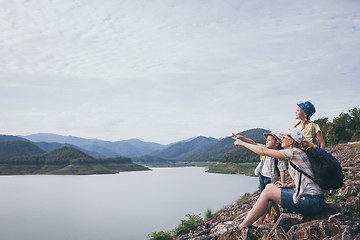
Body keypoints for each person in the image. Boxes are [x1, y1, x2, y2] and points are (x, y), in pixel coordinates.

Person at [228, 128, 324, 231]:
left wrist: (242, 143)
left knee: (268, 191)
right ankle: (257, 223)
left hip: (311, 201)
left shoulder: (295, 152)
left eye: (284, 137)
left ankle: (241, 227)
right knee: (270, 187)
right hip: (314, 200)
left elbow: (263, 151)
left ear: (291, 141)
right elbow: (305, 179)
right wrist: (287, 185)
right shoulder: (297, 154)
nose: (282, 139)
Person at [233, 131, 286, 225]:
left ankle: (264, 218)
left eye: (269, 140)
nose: (266, 141)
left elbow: (282, 169)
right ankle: (276, 215)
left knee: (269, 199)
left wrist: (283, 183)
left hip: (271, 179)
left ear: (277, 143)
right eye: (267, 140)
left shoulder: (278, 154)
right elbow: (252, 143)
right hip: (262, 176)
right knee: (265, 198)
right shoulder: (264, 148)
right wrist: (241, 138)